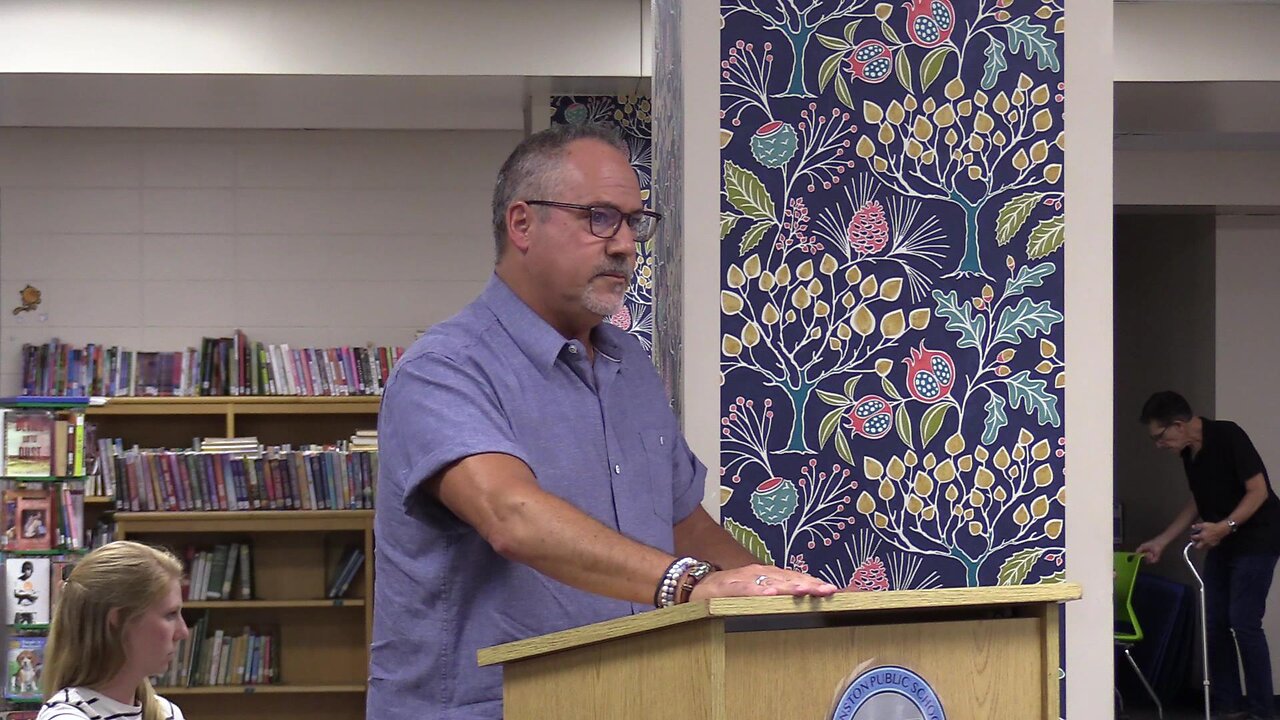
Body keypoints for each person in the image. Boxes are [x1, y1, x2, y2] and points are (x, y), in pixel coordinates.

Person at [368, 123, 840, 720]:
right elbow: (512, 516)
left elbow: (680, 524)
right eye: (598, 217)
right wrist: (688, 585)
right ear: (522, 225)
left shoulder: (629, 364)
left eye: (633, 222)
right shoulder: (443, 370)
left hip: (629, 699)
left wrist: (779, 596)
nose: (624, 244)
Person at [1136, 391, 1280, 720]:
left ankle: (1263, 711)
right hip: (1223, 539)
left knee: (1244, 621)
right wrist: (1162, 540)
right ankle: (1228, 706)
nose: (1159, 445)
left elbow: (1258, 492)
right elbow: (1198, 501)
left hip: (1258, 537)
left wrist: (1225, 526)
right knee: (1214, 622)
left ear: (1179, 424)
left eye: (1160, 437)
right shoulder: (1190, 453)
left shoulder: (1228, 435)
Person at [38, 541, 188, 720]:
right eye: (170, 615)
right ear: (118, 620)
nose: (183, 632)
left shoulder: (167, 712)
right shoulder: (66, 717)